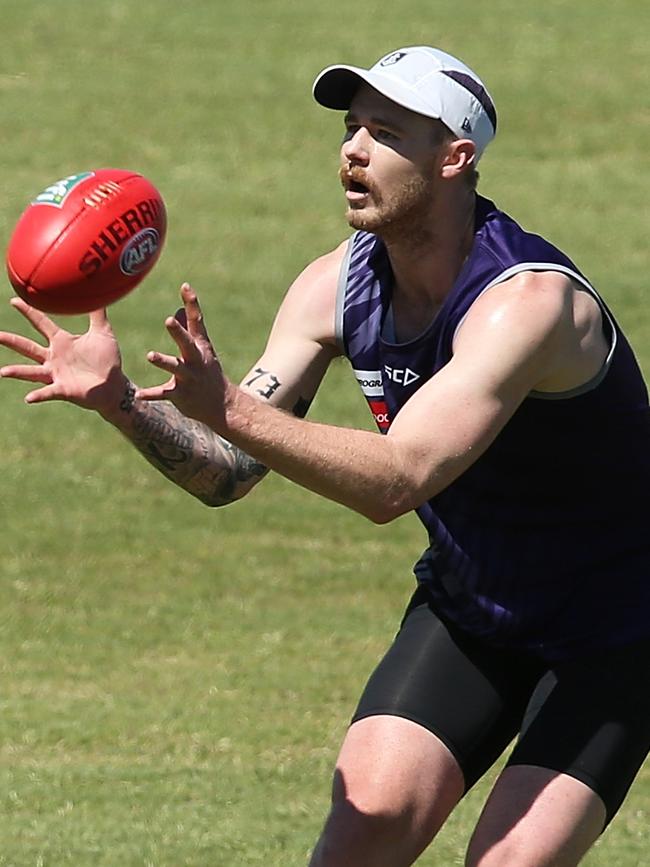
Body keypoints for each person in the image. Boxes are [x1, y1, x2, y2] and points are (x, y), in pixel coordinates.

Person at [1, 44, 649, 867]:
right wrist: (121, 402)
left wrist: (230, 406)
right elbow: (228, 471)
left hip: (617, 628)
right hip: (474, 608)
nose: (352, 149)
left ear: (456, 157)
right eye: (351, 129)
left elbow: (401, 478)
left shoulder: (528, 304)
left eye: (386, 132)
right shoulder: (332, 288)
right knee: (364, 826)